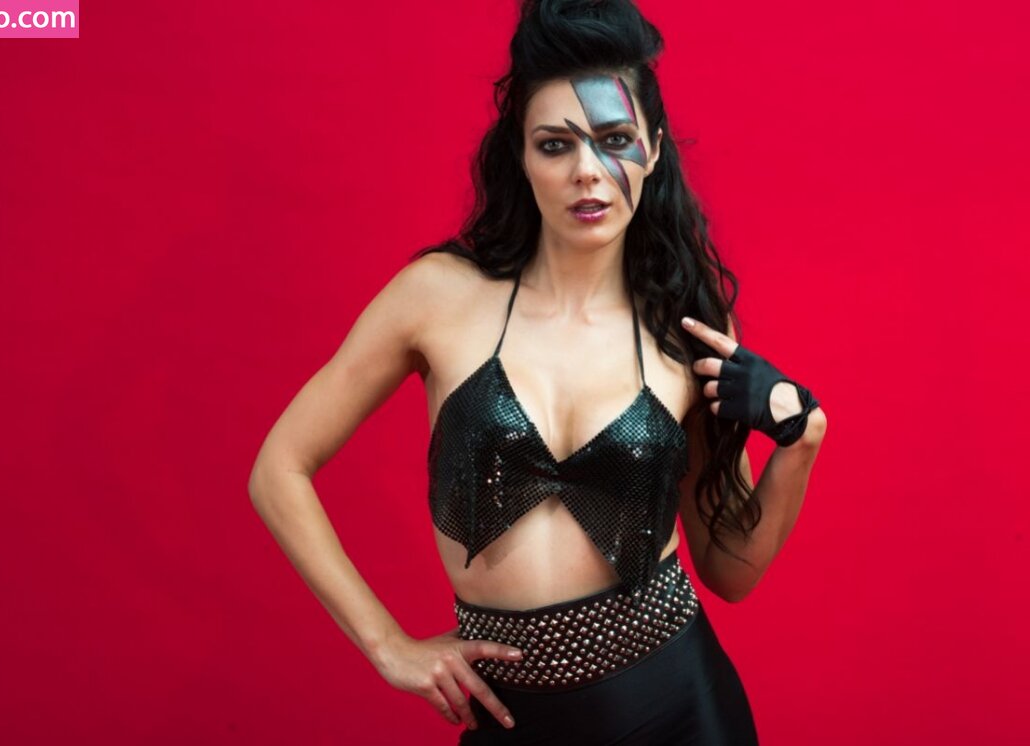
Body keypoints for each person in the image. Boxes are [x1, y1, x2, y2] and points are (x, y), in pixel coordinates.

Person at [248, 0, 826, 743]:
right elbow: (279, 468)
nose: (588, 172)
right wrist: (386, 644)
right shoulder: (437, 297)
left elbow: (731, 570)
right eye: (556, 145)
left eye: (614, 140)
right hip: (512, 717)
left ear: (652, 149)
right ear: (521, 156)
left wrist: (801, 440)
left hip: (679, 708)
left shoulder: (683, 326)